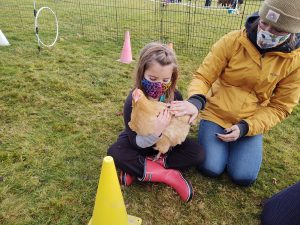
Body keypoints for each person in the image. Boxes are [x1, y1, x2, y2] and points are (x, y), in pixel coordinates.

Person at [170, 0, 300, 186]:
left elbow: (281, 106)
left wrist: (246, 127)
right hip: (216, 113)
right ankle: (217, 142)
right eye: (264, 22)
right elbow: (204, 76)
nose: (267, 31)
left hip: (250, 119)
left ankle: (240, 144)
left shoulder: (295, 61)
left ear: (292, 32)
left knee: (243, 177)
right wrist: (196, 101)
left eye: (277, 30)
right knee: (210, 168)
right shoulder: (232, 40)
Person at [107, 42, 204, 202]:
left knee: (198, 153)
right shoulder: (134, 99)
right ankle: (167, 175)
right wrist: (156, 131)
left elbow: (178, 131)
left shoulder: (175, 96)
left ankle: (140, 169)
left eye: (165, 79)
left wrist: (188, 115)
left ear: (172, 77)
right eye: (152, 78)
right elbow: (135, 142)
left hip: (165, 147)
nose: (159, 84)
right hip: (140, 145)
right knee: (115, 152)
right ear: (142, 73)